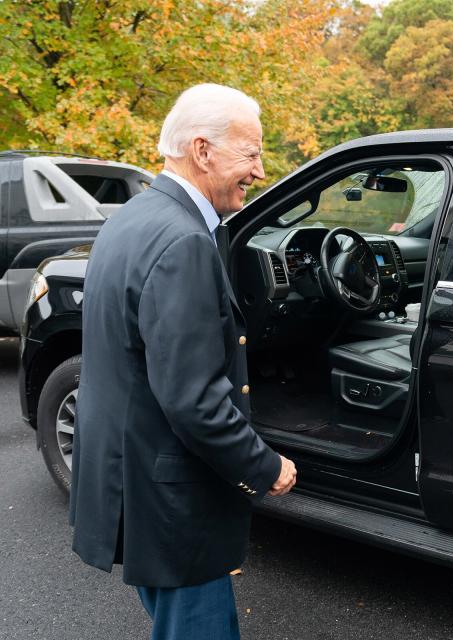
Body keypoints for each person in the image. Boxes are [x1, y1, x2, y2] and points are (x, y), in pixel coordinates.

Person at [69, 83, 297, 640]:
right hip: (172, 502)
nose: (259, 171)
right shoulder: (184, 241)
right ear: (202, 150)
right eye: (251, 154)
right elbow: (194, 399)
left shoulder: (135, 215)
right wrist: (265, 467)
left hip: (137, 479)